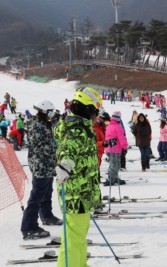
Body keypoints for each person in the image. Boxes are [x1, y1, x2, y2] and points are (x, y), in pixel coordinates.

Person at [54, 88, 103, 267]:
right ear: (87, 109)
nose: (96, 116)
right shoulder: (76, 130)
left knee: (78, 235)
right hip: (76, 193)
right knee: (73, 238)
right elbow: (67, 149)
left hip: (82, 192)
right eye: (95, 111)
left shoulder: (80, 127)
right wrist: (65, 165)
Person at [21, 100, 62, 240]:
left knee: (47, 191)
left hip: (47, 165)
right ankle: (28, 227)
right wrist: (57, 149)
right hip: (41, 166)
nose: (52, 115)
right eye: (50, 112)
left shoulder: (44, 124)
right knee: (36, 196)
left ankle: (46, 215)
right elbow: (41, 146)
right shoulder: (36, 126)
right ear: (43, 112)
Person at [103, 111, 128, 186]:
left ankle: (114, 177)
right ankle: (112, 178)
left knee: (112, 163)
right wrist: (125, 146)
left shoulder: (108, 126)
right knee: (116, 164)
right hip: (115, 148)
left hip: (108, 148)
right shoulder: (118, 127)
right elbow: (121, 138)